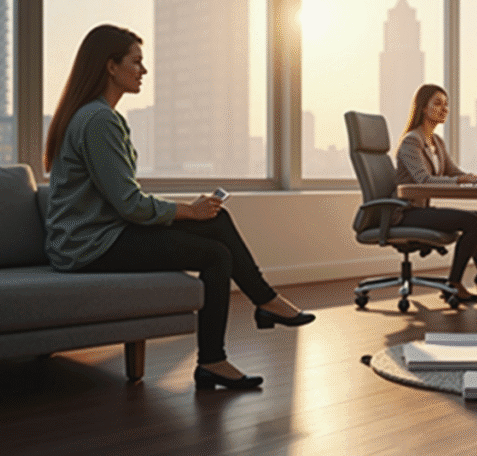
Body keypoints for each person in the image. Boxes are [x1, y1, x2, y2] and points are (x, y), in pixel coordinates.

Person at [44, 24, 314, 391]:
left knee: (218, 221)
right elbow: (130, 204)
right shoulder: (99, 121)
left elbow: (123, 199)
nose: (144, 70)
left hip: (103, 235)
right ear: (110, 66)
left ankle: (263, 303)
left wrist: (195, 211)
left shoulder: (96, 115)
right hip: (89, 246)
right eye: (136, 62)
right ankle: (217, 356)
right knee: (216, 255)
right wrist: (189, 209)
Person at [393, 84, 477, 303]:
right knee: (472, 221)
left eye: (446, 104)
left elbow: (453, 172)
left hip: (421, 210)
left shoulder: (437, 142)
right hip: (405, 213)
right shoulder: (411, 142)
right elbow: (424, 181)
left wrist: (476, 178)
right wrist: (461, 180)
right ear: (423, 108)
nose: (444, 109)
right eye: (437, 103)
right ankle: (455, 283)